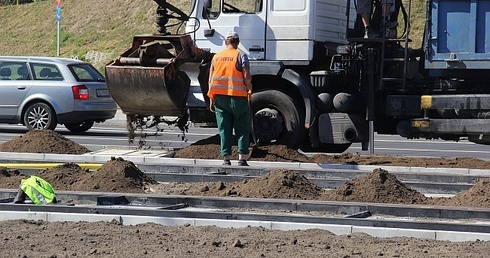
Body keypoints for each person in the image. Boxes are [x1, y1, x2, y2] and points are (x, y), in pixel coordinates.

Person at [207, 31, 253, 166]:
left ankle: (226, 158)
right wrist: (249, 88)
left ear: (225, 43)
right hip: (238, 97)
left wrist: (211, 98)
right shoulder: (241, 55)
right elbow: (246, 76)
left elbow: (210, 80)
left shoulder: (216, 57)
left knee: (224, 128)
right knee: (242, 128)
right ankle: (242, 158)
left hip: (220, 99)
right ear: (237, 43)